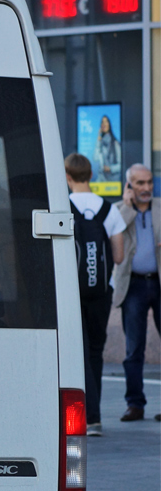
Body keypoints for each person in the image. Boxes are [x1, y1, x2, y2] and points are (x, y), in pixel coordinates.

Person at [67, 153, 126, 436]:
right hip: (101, 293)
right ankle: (96, 417)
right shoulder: (109, 210)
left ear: (67, 177)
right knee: (95, 353)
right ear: (90, 175)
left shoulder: (63, 208)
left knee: (78, 353)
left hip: (73, 293)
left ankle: (86, 418)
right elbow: (118, 255)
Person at [111, 163, 161, 422]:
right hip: (133, 286)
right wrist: (128, 207)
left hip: (160, 284)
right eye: (140, 183)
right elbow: (115, 238)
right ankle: (135, 404)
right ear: (129, 185)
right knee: (134, 348)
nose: (146, 188)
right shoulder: (119, 212)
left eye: (149, 182)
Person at [93, 115, 122, 186]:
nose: (104, 124)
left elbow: (121, 165)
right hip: (102, 179)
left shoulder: (115, 143)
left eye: (106, 122)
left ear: (109, 124)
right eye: (102, 122)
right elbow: (95, 158)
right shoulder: (100, 143)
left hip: (113, 181)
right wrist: (98, 140)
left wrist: (110, 168)